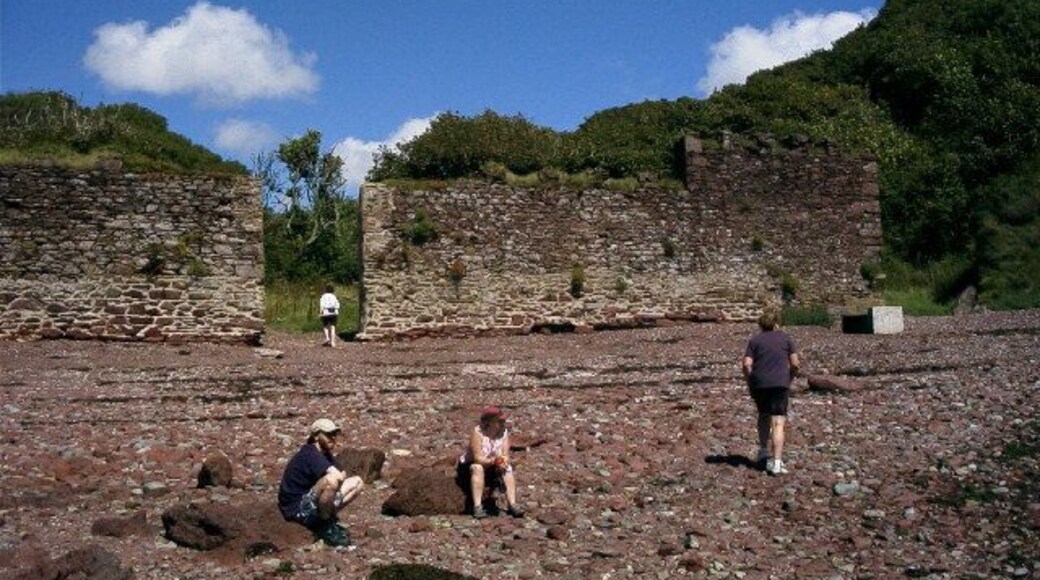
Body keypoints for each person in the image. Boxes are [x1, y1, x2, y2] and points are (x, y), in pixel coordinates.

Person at [277, 418, 364, 547]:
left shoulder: (325, 454)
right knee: (330, 481)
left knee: (357, 482)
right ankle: (325, 524)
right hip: (297, 508)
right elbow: (337, 476)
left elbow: (343, 473)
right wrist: (335, 487)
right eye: (328, 434)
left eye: (334, 434)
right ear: (316, 436)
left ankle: (326, 516)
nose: (333, 438)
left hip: (310, 499)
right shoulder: (310, 453)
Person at [741, 308, 800, 476]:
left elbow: (746, 364)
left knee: (763, 415)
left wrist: (750, 381)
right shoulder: (786, 338)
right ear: (776, 324)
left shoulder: (755, 340)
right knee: (778, 423)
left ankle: (763, 449)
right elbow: (795, 364)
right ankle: (777, 462)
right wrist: (790, 378)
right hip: (780, 383)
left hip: (760, 384)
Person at [457, 406, 525, 519]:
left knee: (507, 468)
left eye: (503, 421)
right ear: (490, 422)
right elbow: (478, 458)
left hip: (492, 465)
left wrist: (502, 461)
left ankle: (513, 504)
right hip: (470, 466)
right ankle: (477, 506)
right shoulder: (478, 432)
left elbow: (505, 454)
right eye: (500, 421)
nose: (503, 423)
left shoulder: (504, 433)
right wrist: (494, 461)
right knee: (477, 468)